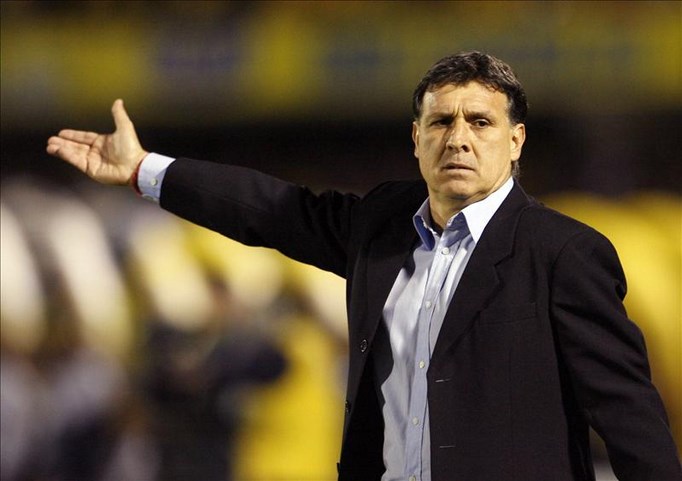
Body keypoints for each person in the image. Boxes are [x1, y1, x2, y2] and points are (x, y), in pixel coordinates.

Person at [46, 51, 681, 481]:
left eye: (481, 122)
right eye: (441, 121)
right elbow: (271, 210)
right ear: (416, 139)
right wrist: (143, 170)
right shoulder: (381, 227)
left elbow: (626, 411)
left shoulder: (565, 252)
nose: (458, 137)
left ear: (515, 142)